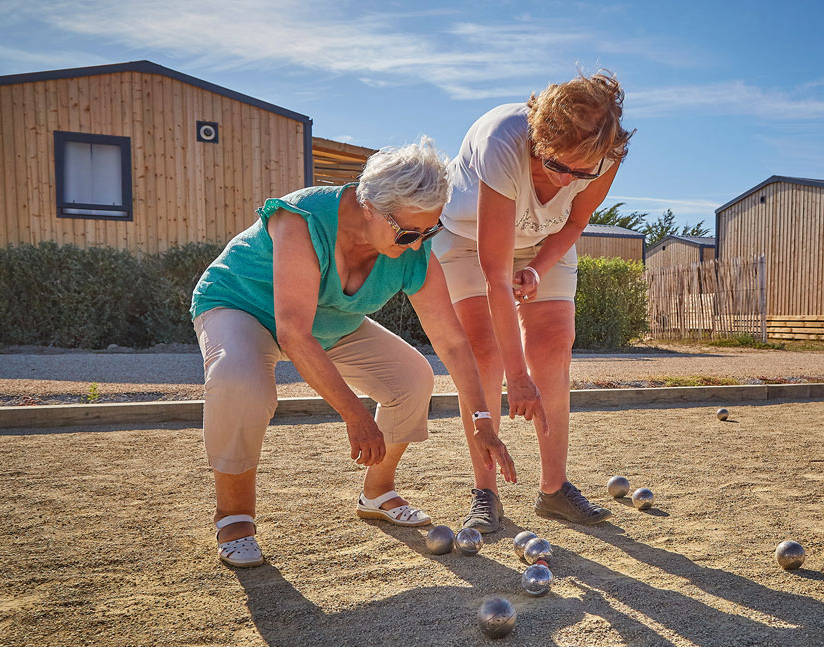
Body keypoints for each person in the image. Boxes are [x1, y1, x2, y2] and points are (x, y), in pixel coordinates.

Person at [190, 138, 514, 568]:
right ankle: (234, 516)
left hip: (330, 322)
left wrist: (483, 421)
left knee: (413, 378)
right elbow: (293, 333)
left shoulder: (412, 251)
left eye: (429, 231)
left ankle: (377, 492)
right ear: (369, 206)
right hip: (243, 305)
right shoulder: (302, 217)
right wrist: (355, 414)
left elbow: (453, 344)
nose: (418, 245)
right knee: (239, 381)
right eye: (408, 232)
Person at [433, 70, 634, 533]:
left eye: (579, 172)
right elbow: (495, 274)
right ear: (539, 138)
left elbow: (573, 223)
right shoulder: (504, 140)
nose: (566, 180)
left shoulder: (604, 159)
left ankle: (555, 490)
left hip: (546, 242)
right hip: (466, 240)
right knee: (485, 352)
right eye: (556, 165)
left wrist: (539, 269)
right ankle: (485, 493)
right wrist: (516, 379)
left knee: (554, 345)